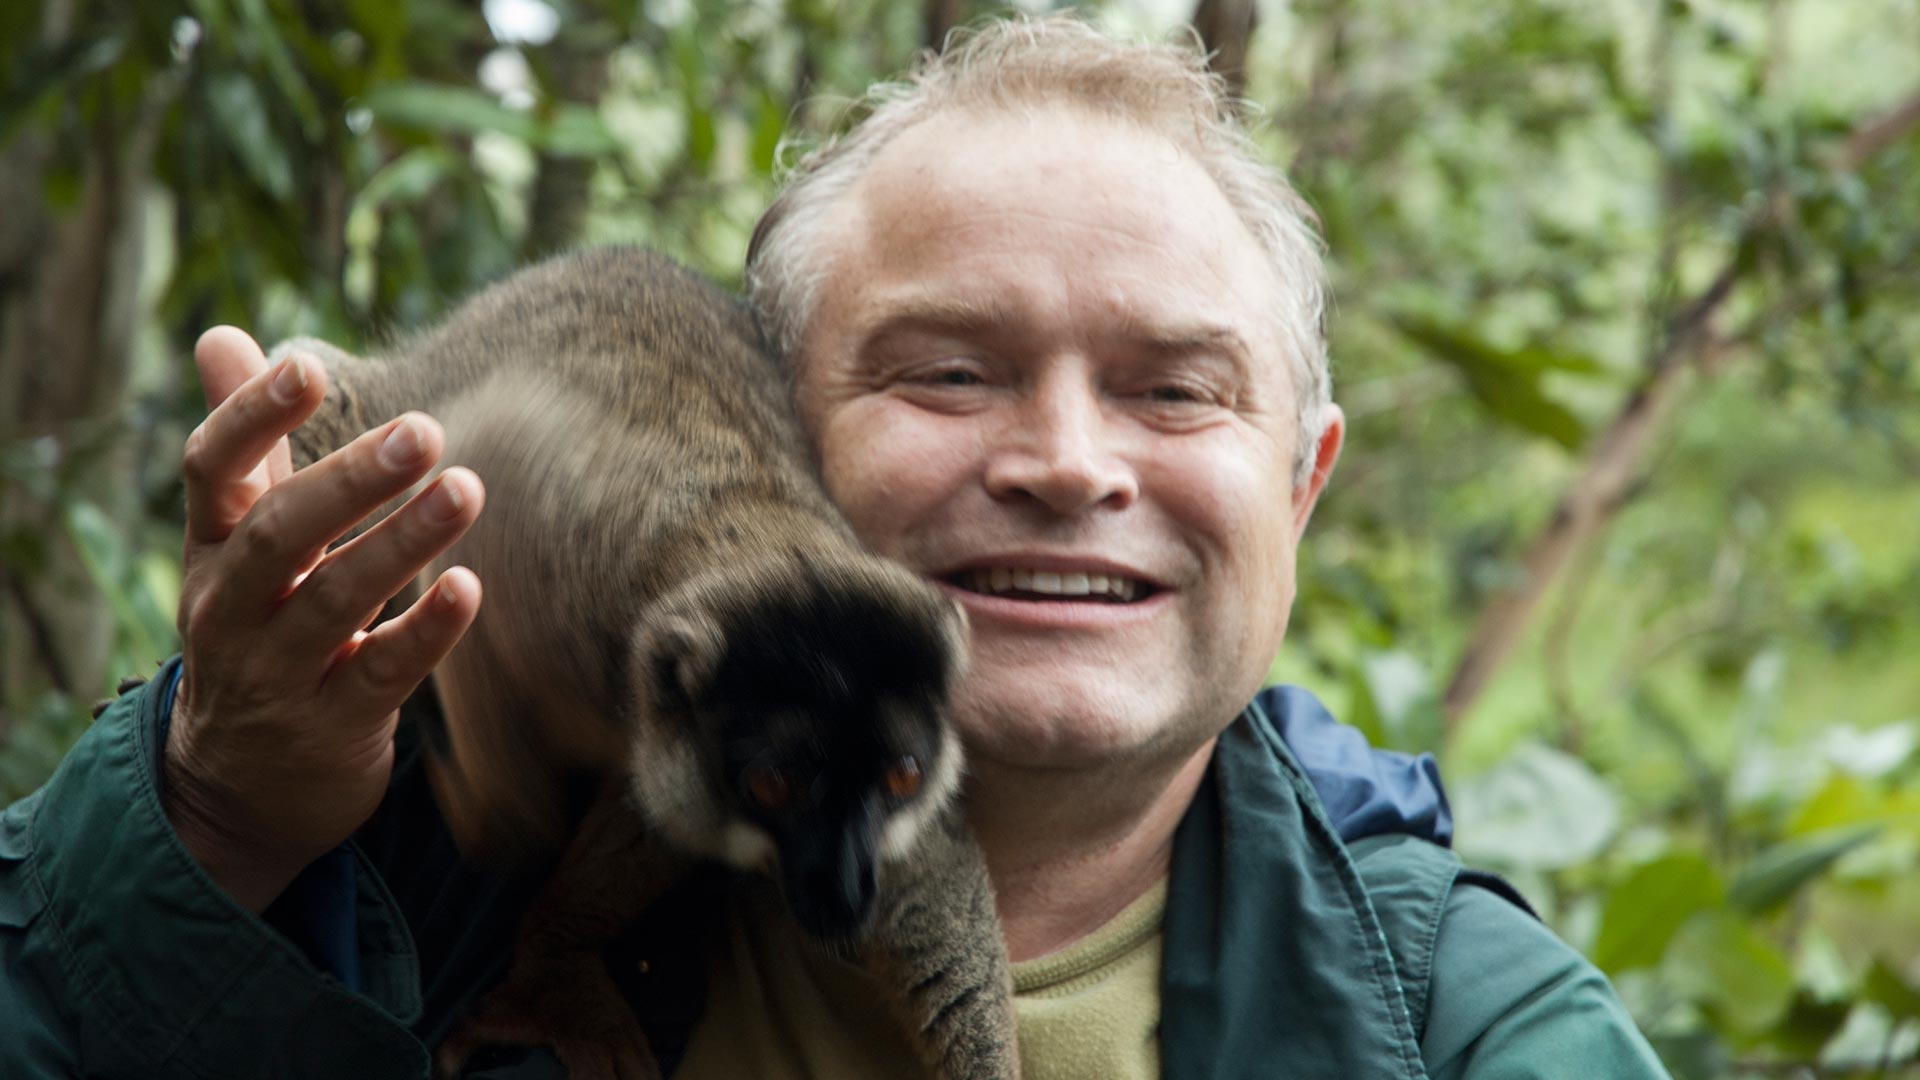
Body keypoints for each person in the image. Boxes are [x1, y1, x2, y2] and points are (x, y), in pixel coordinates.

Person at [0, 16, 1669, 1079]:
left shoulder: (1467, 1029)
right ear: (776, 436)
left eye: (1174, 389)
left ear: (1297, 488)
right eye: (948, 372)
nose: (1068, 465)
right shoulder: (395, 831)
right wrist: (215, 820)